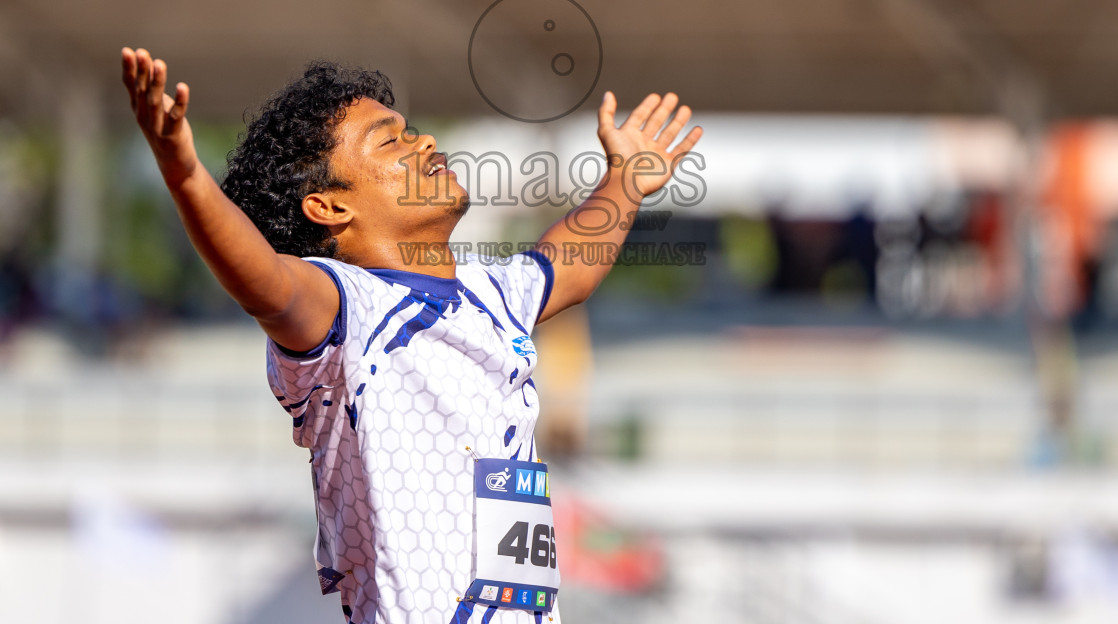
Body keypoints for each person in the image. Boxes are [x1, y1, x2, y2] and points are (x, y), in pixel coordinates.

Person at [120, 49, 701, 623]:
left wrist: (626, 180)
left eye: (410, 132)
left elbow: (568, 265)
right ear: (329, 205)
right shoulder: (347, 308)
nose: (423, 143)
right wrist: (186, 176)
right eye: (389, 141)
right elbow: (264, 282)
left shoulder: (490, 294)